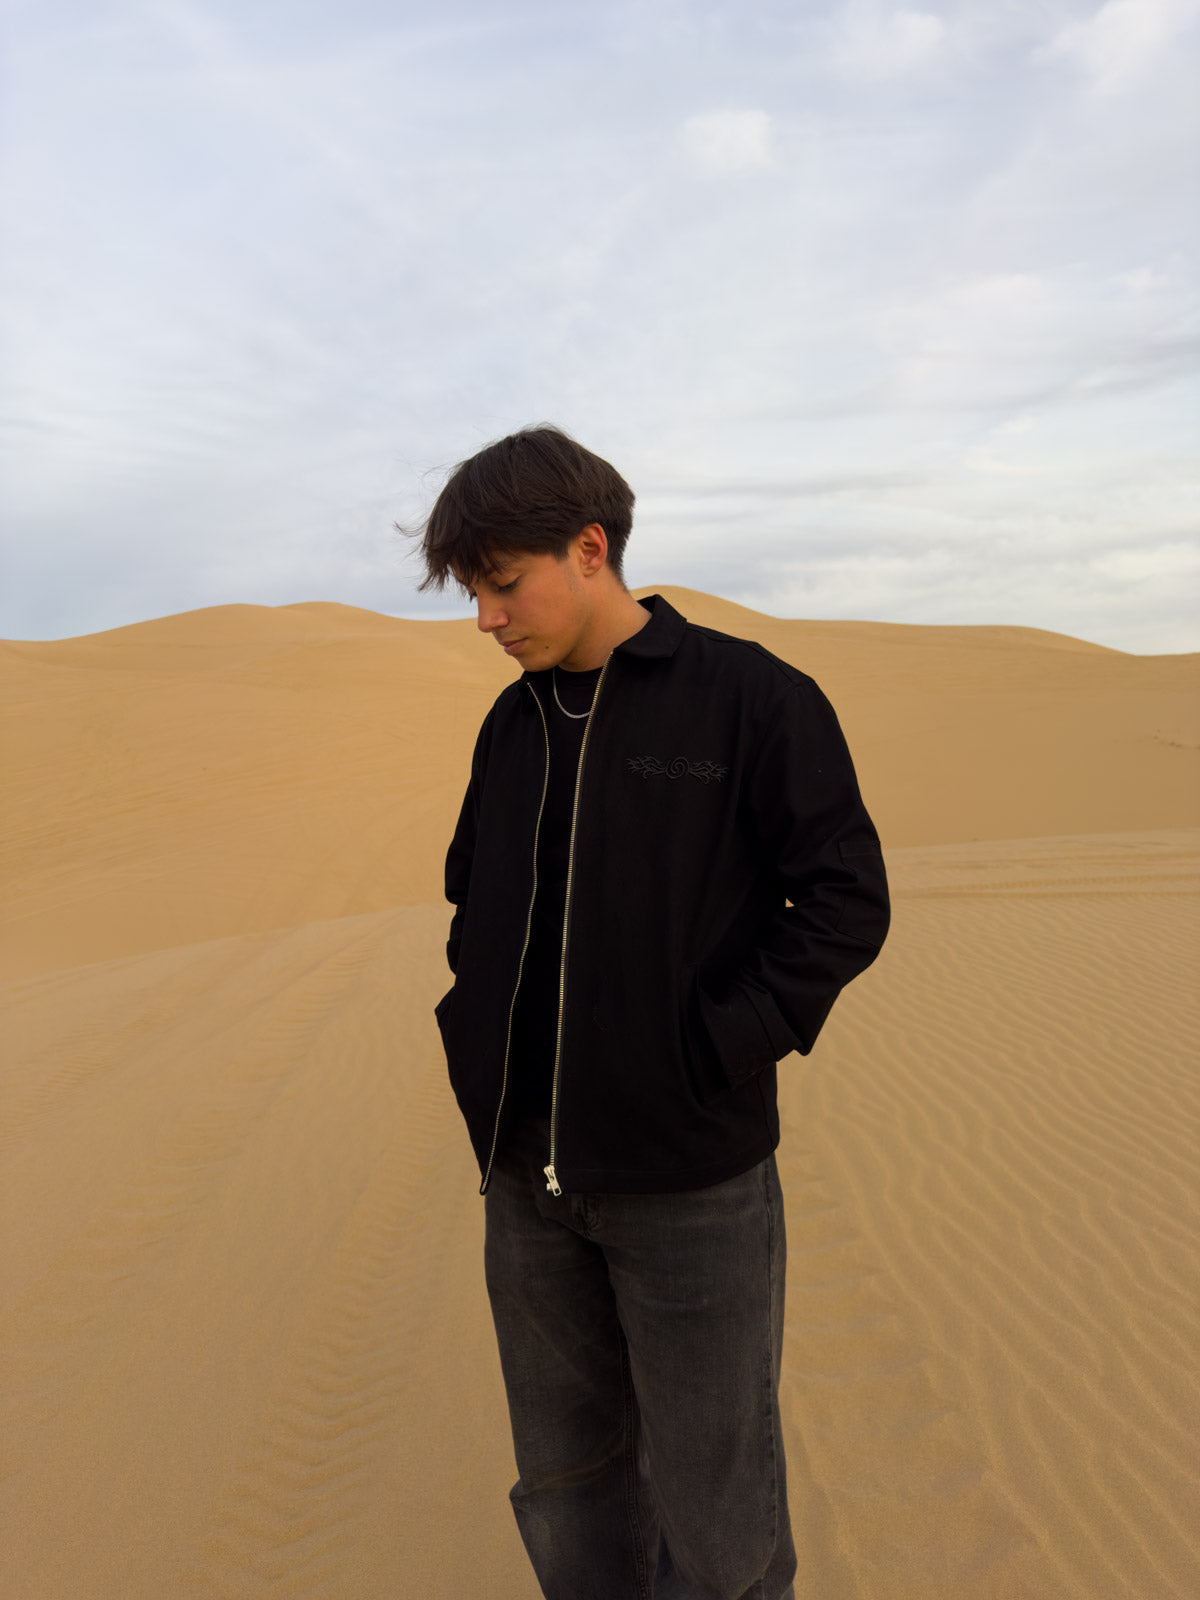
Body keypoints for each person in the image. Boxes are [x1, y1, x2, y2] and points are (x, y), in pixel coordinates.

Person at [420, 425, 889, 1600]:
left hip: (690, 1185)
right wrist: (475, 1021)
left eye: (502, 584)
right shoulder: (511, 723)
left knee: (714, 1497)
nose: (486, 618)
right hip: (526, 1182)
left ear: (590, 549)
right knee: (565, 1482)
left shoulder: (752, 699)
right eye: (474, 592)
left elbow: (844, 898)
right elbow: (473, 890)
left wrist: (712, 1046)